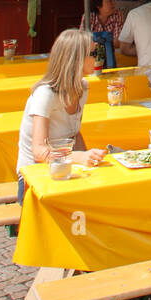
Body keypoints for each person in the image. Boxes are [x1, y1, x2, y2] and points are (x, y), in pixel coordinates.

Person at [16, 30, 106, 201]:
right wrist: (79, 157)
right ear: (77, 59)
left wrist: (88, 160)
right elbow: (39, 152)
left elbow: (74, 133)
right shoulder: (46, 94)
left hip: (66, 170)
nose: (99, 57)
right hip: (35, 177)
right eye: (94, 53)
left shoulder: (82, 87)